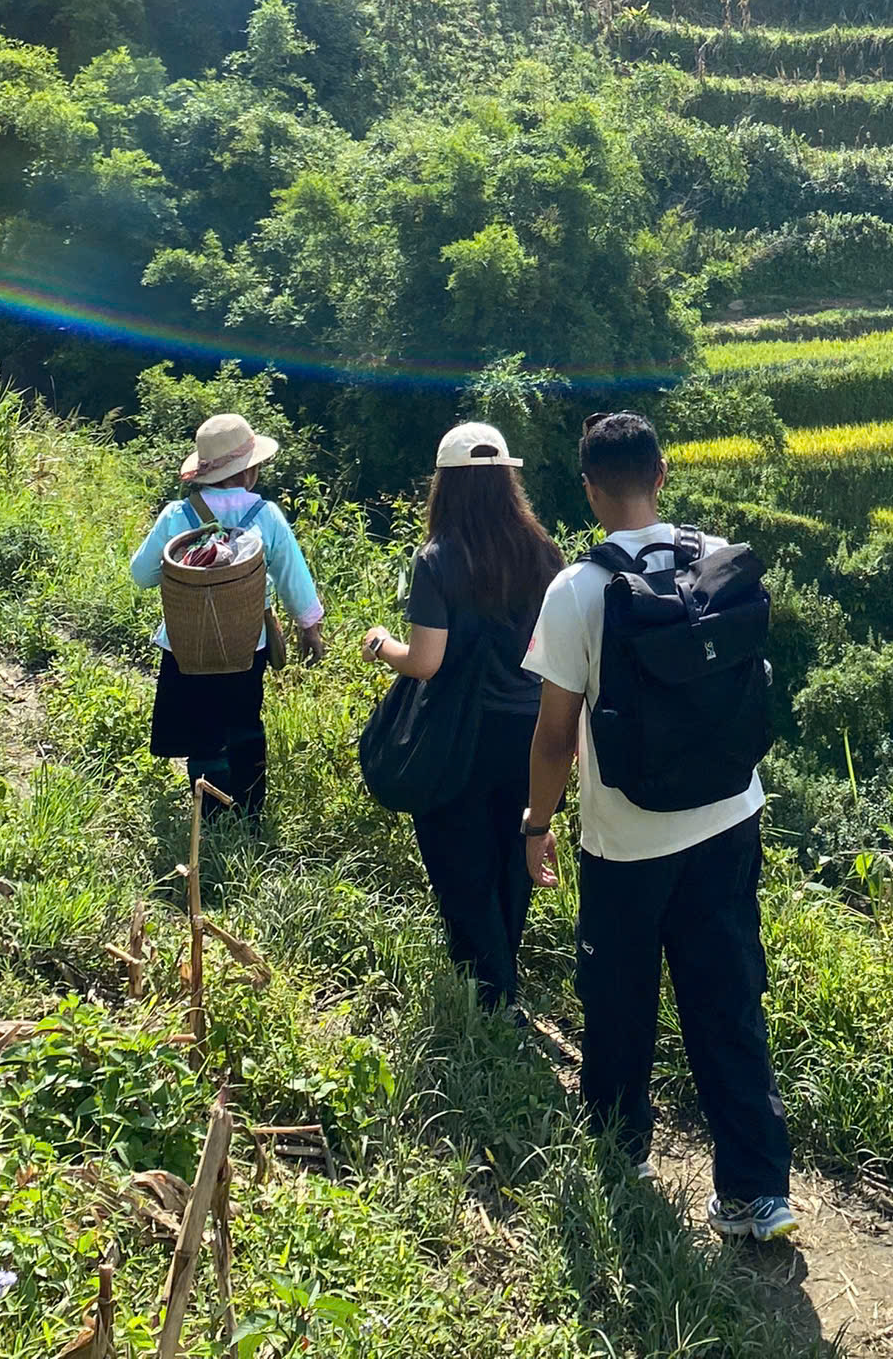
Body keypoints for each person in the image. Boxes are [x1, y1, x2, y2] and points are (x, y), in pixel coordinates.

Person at [523, 411, 796, 1244]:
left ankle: (622, 1157)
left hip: (628, 843)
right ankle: (757, 1194)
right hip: (729, 820)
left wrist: (538, 823)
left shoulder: (576, 591)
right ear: (663, 474)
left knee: (618, 1001)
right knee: (728, 999)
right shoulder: (719, 561)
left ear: (589, 489)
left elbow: (554, 734)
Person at [361, 422, 564, 1012]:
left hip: (460, 733)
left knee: (458, 858)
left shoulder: (439, 558)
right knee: (513, 849)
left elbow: (426, 662)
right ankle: (502, 973)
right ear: (508, 482)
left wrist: (381, 645)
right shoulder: (543, 552)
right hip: (531, 727)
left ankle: (490, 992)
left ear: (444, 486)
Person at [130, 410, 324, 824]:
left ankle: (210, 816)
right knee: (244, 721)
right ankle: (250, 813)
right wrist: (310, 628)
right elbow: (293, 576)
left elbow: (142, 575)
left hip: (184, 645)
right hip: (245, 644)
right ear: (249, 472)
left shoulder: (175, 516)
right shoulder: (266, 516)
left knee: (202, 731)